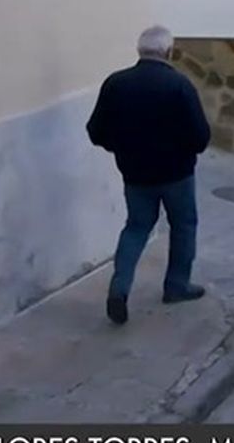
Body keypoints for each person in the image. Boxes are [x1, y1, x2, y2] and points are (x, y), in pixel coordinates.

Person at [86, 25, 212, 325]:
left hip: (135, 173)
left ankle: (119, 289)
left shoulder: (115, 84)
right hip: (177, 174)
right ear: (169, 52)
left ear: (139, 50)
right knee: (183, 225)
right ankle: (176, 286)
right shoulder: (179, 85)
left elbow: (95, 132)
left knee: (136, 227)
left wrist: (121, 147)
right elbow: (201, 137)